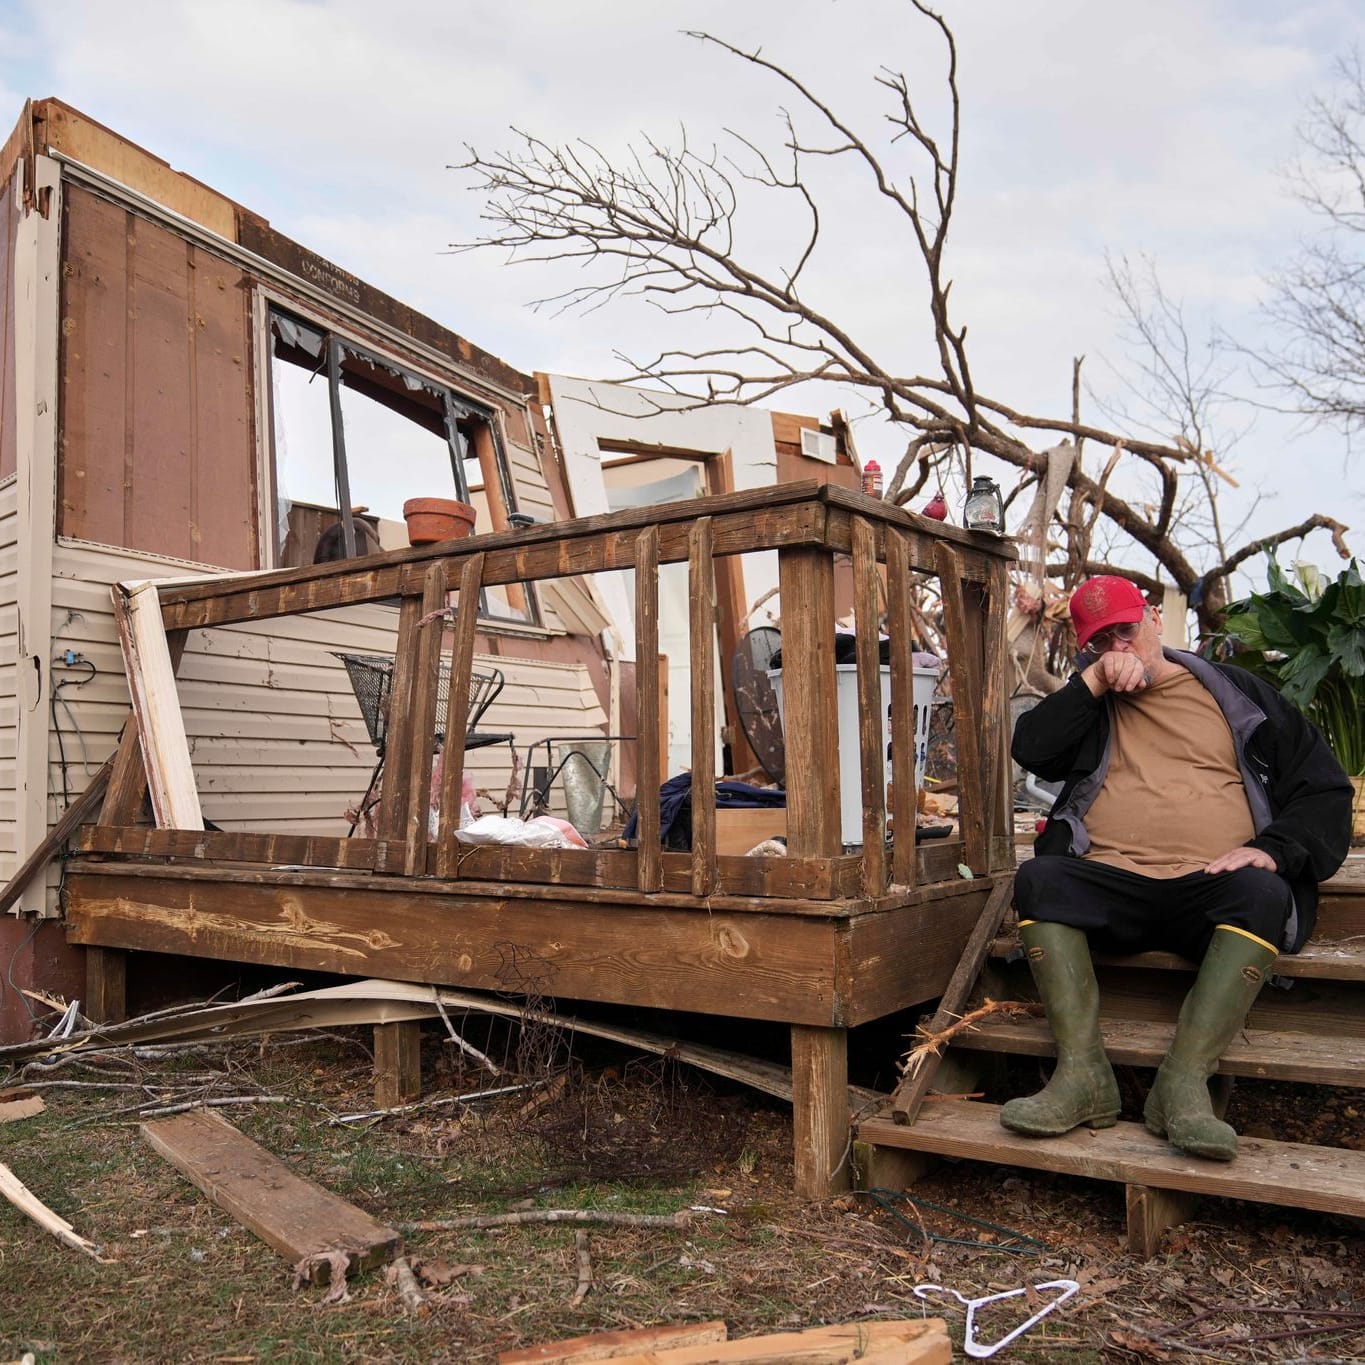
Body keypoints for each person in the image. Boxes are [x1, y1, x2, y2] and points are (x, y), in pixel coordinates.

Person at [1006, 574, 1352, 1160]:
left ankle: (1183, 1084)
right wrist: (1090, 682)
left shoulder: (1240, 697)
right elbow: (1031, 748)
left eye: (1127, 630)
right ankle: (1083, 1077)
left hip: (1208, 888)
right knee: (1039, 879)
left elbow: (1324, 790)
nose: (1119, 648)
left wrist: (1273, 848)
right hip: (1113, 885)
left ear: (1155, 621)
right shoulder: (1091, 702)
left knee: (1265, 894)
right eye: (1101, 642)